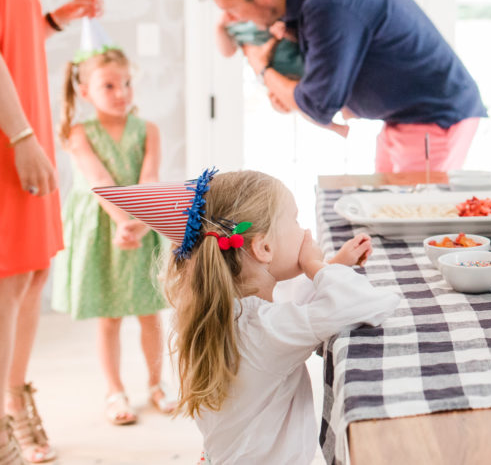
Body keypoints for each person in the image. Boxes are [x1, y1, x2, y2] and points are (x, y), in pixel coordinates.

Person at [93, 169, 401, 464]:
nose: (304, 230)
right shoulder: (266, 329)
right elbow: (370, 302)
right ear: (264, 247)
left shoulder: (221, 311)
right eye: (295, 220)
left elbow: (298, 314)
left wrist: (335, 265)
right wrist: (316, 266)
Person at [0, 0, 103, 464]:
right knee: (9, 280)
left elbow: (14, 40)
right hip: (12, 134)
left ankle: (13, 396)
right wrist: (23, 138)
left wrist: (56, 19)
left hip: (24, 124)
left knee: (31, 275)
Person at [194, 0, 487, 173]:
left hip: (433, 118)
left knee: (410, 227)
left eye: (231, 8)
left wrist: (263, 70)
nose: (231, 18)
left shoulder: (328, 1)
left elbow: (318, 102)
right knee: (383, 214)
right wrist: (289, 90)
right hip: (401, 119)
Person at [51, 34, 175, 426]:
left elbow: (150, 177)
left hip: (140, 226)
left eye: (126, 83)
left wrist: (139, 223)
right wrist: (122, 223)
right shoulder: (78, 133)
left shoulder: (148, 129)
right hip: (104, 231)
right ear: (85, 90)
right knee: (110, 317)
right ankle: (114, 389)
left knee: (149, 312)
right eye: (109, 85)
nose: (121, 92)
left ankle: (156, 384)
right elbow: (99, 180)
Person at [213, 12, 349, 138]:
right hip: (274, 66)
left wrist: (272, 39)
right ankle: (335, 126)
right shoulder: (233, 26)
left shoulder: (256, 12)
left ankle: (341, 109)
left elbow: (281, 25)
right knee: (297, 101)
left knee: (313, 88)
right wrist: (220, 26)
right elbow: (227, 52)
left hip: (284, 50)